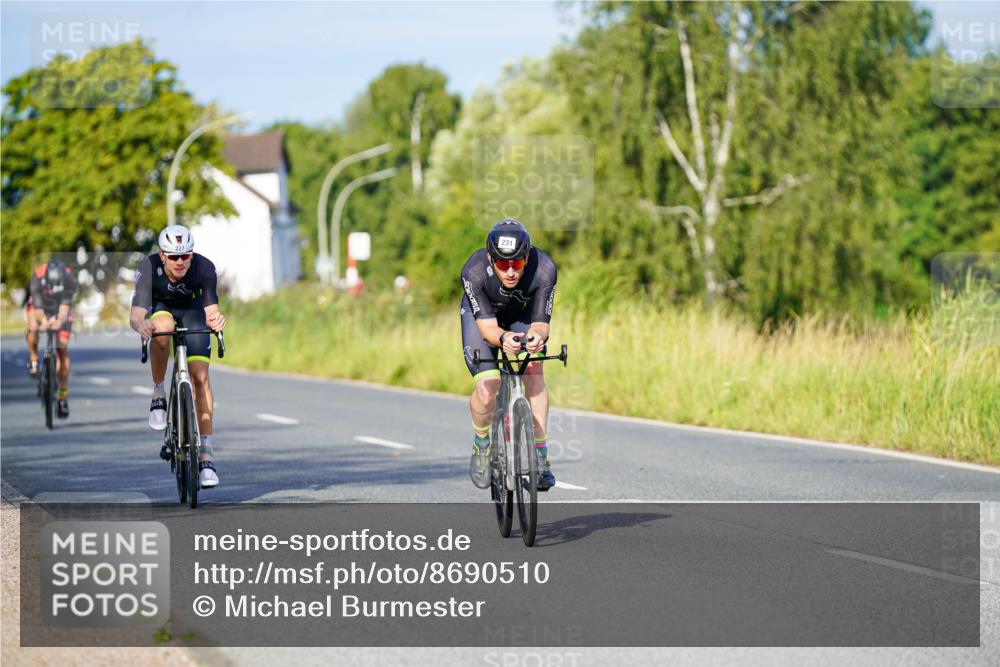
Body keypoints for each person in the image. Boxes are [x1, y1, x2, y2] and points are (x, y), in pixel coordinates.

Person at [460, 218, 558, 491]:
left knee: (534, 370)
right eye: (503, 265)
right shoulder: (473, 271)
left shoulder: (544, 268)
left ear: (527, 256)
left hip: (522, 316)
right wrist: (503, 338)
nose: (511, 271)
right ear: (491, 259)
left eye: (517, 262)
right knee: (488, 386)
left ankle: (541, 458)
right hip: (483, 319)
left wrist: (536, 337)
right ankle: (482, 444)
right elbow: (488, 329)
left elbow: (541, 322)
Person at [129, 224, 226, 488]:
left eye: (185, 255)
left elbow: (211, 310)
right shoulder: (148, 267)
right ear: (163, 255)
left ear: (191, 254)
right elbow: (136, 314)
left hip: (192, 312)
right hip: (161, 309)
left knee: (200, 378)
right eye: (174, 256)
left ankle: (206, 455)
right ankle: (159, 393)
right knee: (163, 328)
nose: (180, 261)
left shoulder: (204, 267)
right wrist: (142, 324)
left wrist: (216, 321)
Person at [26, 260, 77, 419]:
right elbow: (38, 309)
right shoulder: (37, 278)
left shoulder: (69, 280)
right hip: (40, 304)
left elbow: (65, 307)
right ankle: (33, 357)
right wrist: (44, 321)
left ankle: (62, 395)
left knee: (62, 348)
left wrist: (60, 321)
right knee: (33, 327)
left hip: (60, 307)